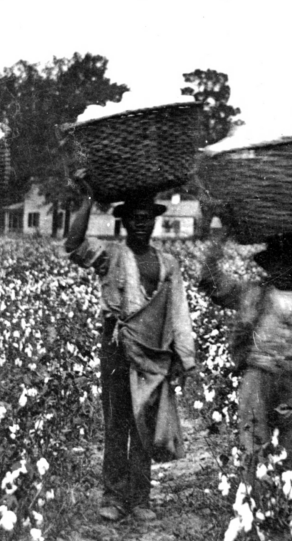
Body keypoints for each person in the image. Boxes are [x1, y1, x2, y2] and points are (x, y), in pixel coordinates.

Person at [65, 191, 196, 522]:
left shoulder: (167, 264)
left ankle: (140, 497)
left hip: (153, 349)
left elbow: (178, 310)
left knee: (144, 424)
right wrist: (87, 200)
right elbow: (73, 244)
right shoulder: (110, 256)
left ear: (155, 221)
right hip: (116, 345)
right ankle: (113, 495)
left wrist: (183, 355)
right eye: (134, 217)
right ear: (123, 222)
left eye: (147, 217)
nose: (141, 222)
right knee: (117, 420)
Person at [199, 233, 292, 473]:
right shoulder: (253, 295)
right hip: (258, 378)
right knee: (255, 447)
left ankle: (290, 507)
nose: (284, 269)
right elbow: (212, 282)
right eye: (278, 263)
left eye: (290, 263)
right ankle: (259, 504)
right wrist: (218, 242)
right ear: (269, 267)